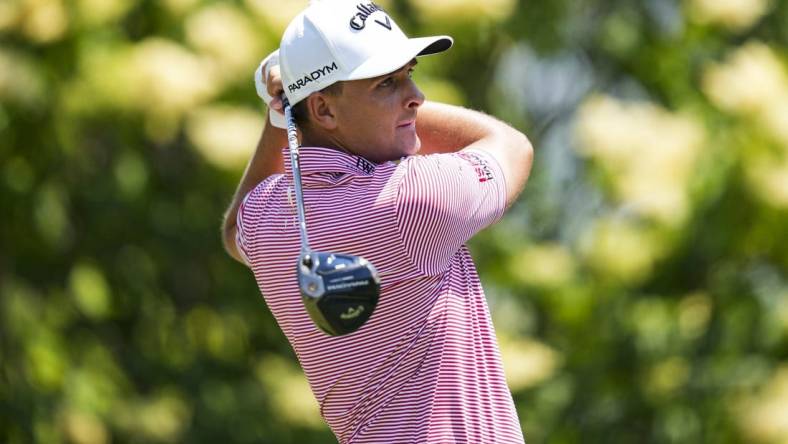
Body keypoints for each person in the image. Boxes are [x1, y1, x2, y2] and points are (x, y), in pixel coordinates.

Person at [222, 1, 534, 442]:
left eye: (410, 73)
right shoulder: (413, 197)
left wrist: (286, 110)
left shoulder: (268, 216)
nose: (417, 96)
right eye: (388, 82)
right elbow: (511, 145)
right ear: (325, 111)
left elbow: (234, 228)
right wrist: (291, 100)